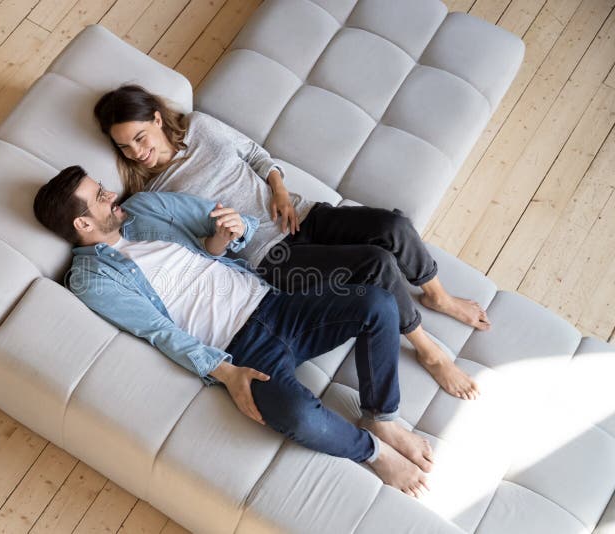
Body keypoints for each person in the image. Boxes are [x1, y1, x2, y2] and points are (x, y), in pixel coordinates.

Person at [33, 165, 432, 497]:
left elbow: (231, 222)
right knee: (296, 414)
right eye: (99, 197)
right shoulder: (92, 280)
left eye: (103, 187)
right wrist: (225, 372)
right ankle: (373, 452)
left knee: (376, 302)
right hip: (241, 350)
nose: (110, 195)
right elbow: (157, 331)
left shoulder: (146, 208)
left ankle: (382, 416)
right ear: (82, 223)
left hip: (274, 301)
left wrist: (230, 233)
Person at [93, 85, 491, 401]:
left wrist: (279, 189)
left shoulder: (199, 127)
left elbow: (253, 153)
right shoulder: (153, 194)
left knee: (393, 226)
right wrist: (221, 237)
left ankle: (438, 296)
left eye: (140, 138)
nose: (137, 153)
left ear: (158, 119)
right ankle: (429, 351)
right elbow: (199, 250)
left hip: (300, 212)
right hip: (272, 255)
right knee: (376, 263)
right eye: (125, 147)